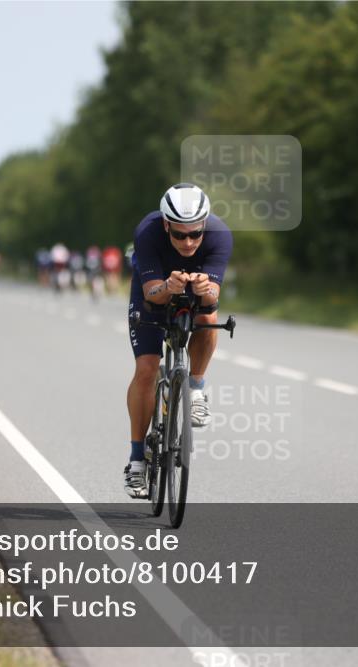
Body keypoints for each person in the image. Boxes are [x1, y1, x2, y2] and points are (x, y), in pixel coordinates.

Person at [123, 183, 233, 498]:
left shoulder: (220, 235)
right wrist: (169, 287)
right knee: (146, 368)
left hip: (196, 291)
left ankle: (196, 388)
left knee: (209, 318)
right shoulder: (148, 232)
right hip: (155, 291)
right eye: (180, 235)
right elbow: (151, 294)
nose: (188, 242)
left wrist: (204, 289)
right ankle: (136, 462)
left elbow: (213, 295)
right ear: (166, 225)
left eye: (195, 234)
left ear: (205, 226)